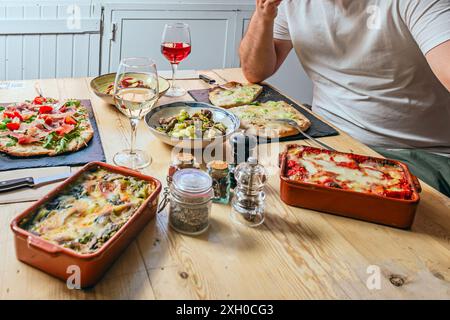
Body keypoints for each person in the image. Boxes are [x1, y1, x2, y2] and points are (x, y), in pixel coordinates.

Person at [240, 0, 450, 197]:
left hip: (417, 154)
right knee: (250, 185)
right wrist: (263, 15)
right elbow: (254, 72)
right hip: (325, 138)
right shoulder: (292, 3)